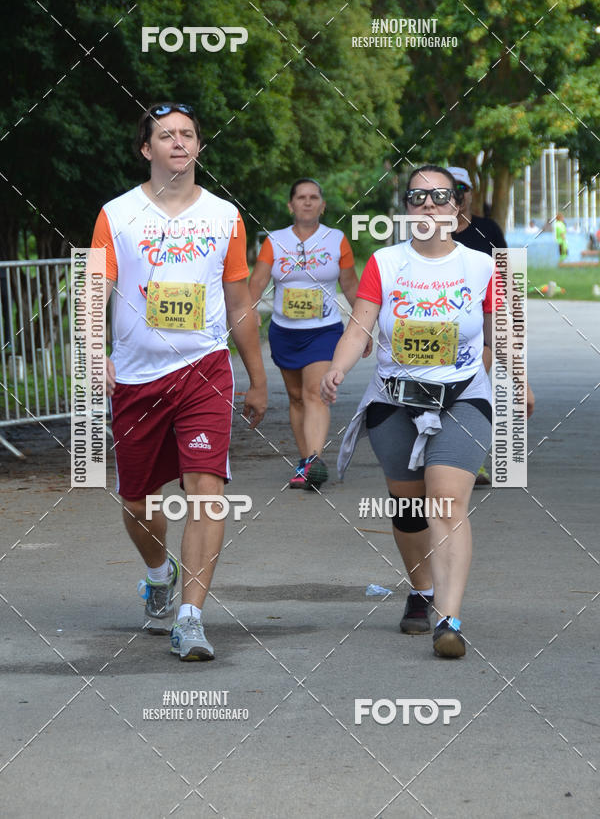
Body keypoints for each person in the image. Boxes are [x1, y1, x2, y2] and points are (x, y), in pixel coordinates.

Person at [321, 165, 534, 659]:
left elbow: (498, 328)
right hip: (394, 399)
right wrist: (338, 368)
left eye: (440, 197)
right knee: (411, 507)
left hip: (463, 395)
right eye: (418, 198)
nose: (429, 205)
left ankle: (449, 618)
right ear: (407, 208)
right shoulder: (386, 262)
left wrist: (520, 378)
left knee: (446, 501)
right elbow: (360, 327)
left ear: (457, 208)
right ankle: (419, 589)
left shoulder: (480, 266)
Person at [91, 102, 267, 661]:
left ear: (198, 147)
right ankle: (157, 570)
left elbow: (240, 302)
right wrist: (95, 351)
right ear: (147, 150)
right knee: (138, 501)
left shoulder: (224, 216)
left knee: (206, 492)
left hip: (204, 369)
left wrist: (256, 378)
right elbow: (95, 287)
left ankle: (190, 618)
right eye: (165, 135)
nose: (178, 143)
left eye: (188, 135)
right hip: (138, 377)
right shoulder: (116, 215)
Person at [249, 178, 364, 491]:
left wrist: (361, 324)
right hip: (285, 331)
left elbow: (351, 284)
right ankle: (305, 463)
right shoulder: (275, 240)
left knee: (315, 392)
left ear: (323, 205)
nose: (308, 202)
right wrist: (249, 312)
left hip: (324, 331)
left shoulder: (336, 239)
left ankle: (314, 460)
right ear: (291, 205)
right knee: (296, 397)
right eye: (301, 197)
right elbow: (257, 282)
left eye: (314, 197)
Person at [448, 166, 507, 486]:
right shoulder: (431, 232)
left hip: (479, 331)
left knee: (470, 389)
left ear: (471, 192)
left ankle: (472, 461)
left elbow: (506, 276)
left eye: (462, 187)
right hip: (438, 329)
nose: (457, 194)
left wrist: (510, 318)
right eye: (450, 188)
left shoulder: (488, 229)